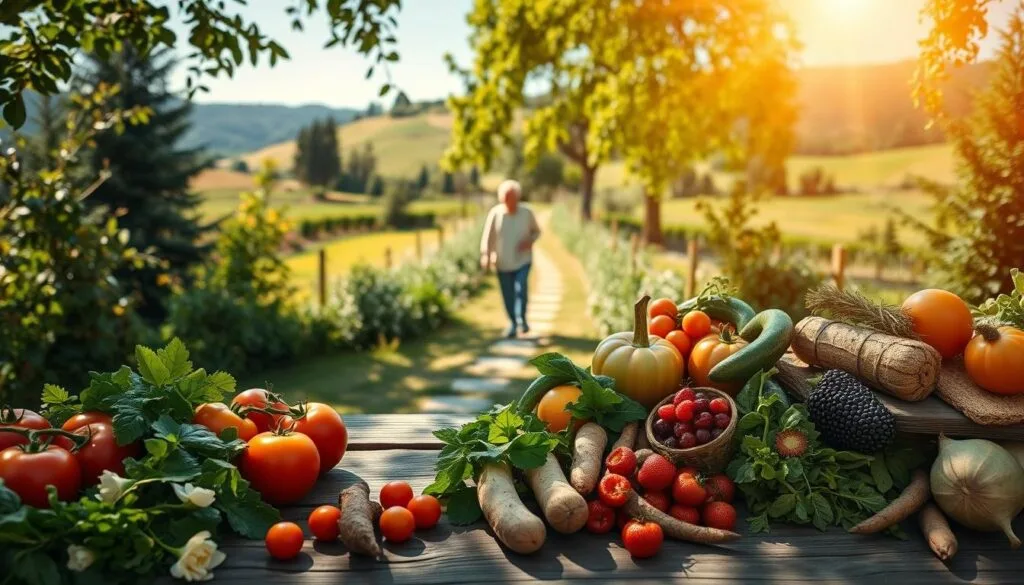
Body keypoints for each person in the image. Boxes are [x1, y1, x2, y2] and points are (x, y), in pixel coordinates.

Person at [480, 179, 541, 338]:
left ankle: (522, 320)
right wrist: (486, 255)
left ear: (518, 198)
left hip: (523, 261)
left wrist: (530, 241)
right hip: (502, 262)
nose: (511, 202)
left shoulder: (527, 212)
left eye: (513, 198)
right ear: (502, 199)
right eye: (507, 199)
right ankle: (513, 323)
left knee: (521, 288)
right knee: (508, 294)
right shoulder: (496, 213)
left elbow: (537, 231)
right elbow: (488, 237)